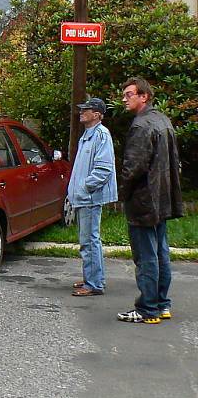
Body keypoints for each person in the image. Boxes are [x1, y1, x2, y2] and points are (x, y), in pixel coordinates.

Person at [116, 78, 183, 324]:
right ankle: (162, 304)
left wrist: (122, 192)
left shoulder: (141, 126)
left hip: (144, 200)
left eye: (129, 94)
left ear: (144, 96)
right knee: (160, 252)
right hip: (163, 197)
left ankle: (148, 309)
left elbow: (133, 167)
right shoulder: (163, 121)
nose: (125, 98)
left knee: (146, 255)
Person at [68, 98, 117, 297]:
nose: (81, 112)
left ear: (97, 114)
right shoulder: (88, 134)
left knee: (89, 241)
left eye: (86, 110)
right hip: (83, 196)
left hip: (89, 198)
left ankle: (94, 284)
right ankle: (92, 278)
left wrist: (85, 188)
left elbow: (103, 169)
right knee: (87, 240)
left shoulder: (101, 135)